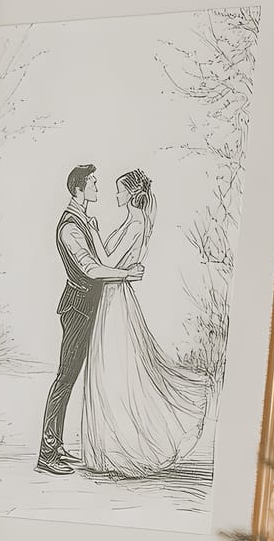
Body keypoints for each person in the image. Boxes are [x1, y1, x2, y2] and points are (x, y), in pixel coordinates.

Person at [80, 168, 207, 477]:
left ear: (132, 193)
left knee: (117, 372)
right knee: (109, 371)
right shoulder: (132, 221)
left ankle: (124, 451)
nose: (116, 194)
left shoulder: (136, 223)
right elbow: (112, 260)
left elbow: (108, 263)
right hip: (111, 298)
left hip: (116, 302)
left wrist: (94, 232)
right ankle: (107, 451)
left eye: (119, 190)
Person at [36, 165, 143, 476]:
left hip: (87, 308)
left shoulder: (83, 221)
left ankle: (55, 446)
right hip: (78, 310)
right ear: (79, 190)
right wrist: (126, 274)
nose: (98, 186)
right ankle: (47, 452)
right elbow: (91, 269)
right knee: (65, 378)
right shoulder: (69, 227)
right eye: (93, 182)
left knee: (70, 379)